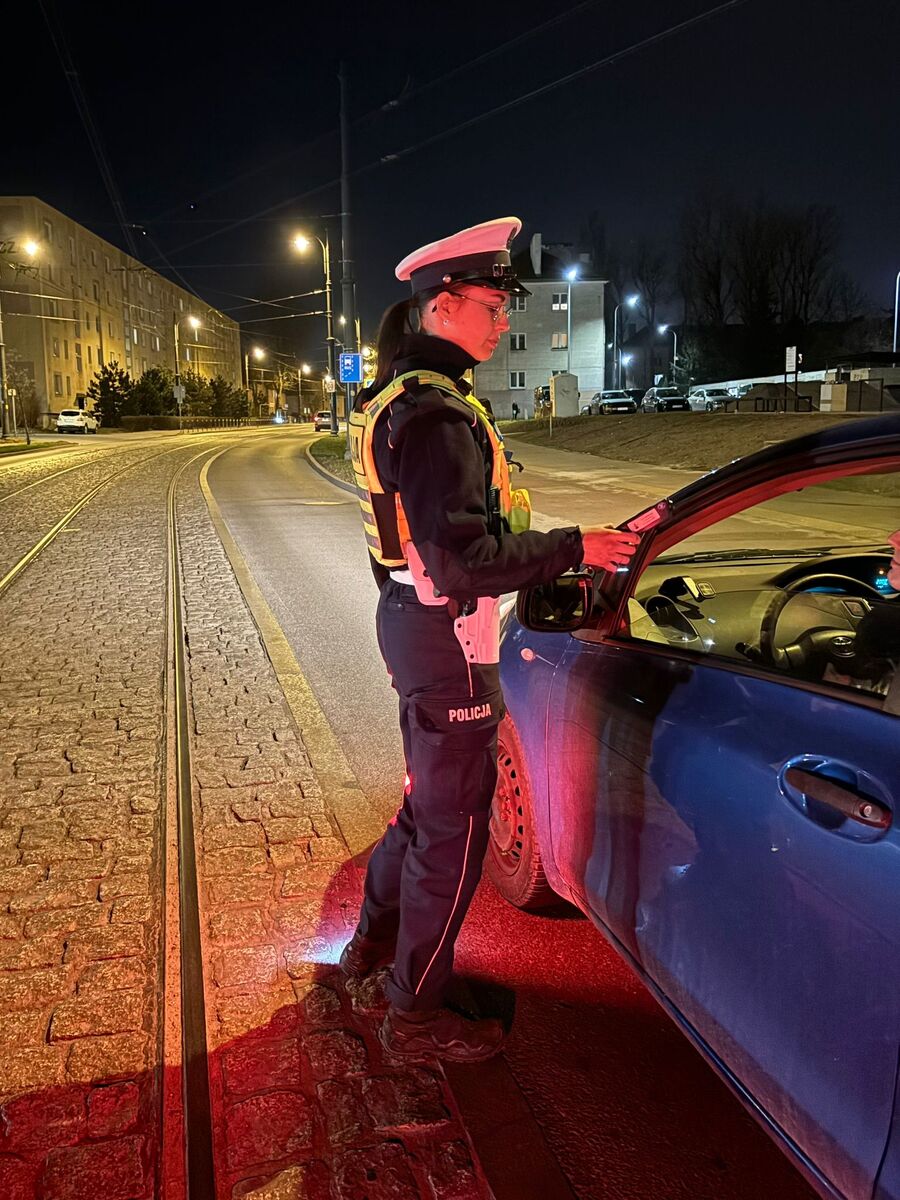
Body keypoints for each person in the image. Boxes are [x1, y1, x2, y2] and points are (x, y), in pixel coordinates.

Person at [340, 217, 639, 1062]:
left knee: (423, 814)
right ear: (442, 306)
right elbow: (460, 559)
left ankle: (371, 952)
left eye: (507, 304)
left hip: (416, 626)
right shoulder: (436, 416)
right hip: (447, 639)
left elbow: (410, 548)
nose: (504, 319)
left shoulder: (404, 399)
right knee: (456, 835)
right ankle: (413, 1017)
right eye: (492, 303)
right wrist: (576, 548)